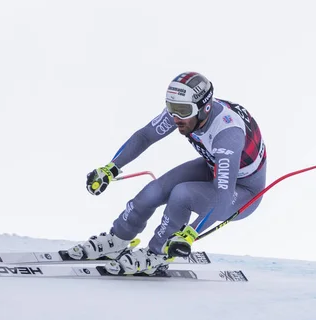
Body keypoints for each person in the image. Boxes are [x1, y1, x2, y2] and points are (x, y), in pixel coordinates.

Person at [67, 72, 267, 275]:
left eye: (181, 111)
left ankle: (158, 253)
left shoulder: (227, 134)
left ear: (204, 108)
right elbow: (146, 136)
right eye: (171, 108)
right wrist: (111, 168)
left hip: (242, 192)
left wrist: (190, 234)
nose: (175, 117)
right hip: (212, 166)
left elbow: (223, 194)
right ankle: (118, 238)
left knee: (182, 194)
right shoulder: (188, 111)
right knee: (153, 191)